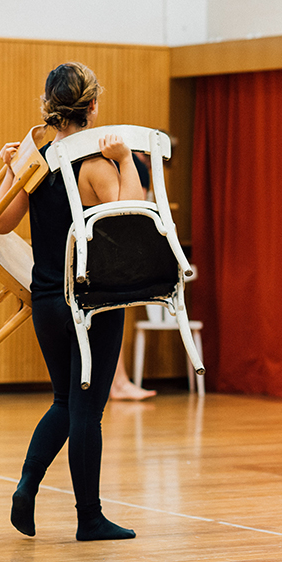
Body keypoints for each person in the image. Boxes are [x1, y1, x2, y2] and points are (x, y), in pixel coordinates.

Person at [0, 62, 143, 541]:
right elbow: (131, 220)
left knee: (65, 401)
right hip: (93, 298)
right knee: (86, 411)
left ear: (49, 107)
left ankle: (27, 485)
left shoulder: (37, 163)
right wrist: (125, 161)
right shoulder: (96, 165)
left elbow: (1, 223)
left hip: (47, 299)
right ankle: (89, 518)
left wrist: (12, 170)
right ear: (93, 106)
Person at [109, 150, 157, 401]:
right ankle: (118, 382)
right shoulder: (134, 166)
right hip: (115, 249)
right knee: (111, 316)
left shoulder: (119, 162)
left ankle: (117, 381)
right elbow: (135, 211)